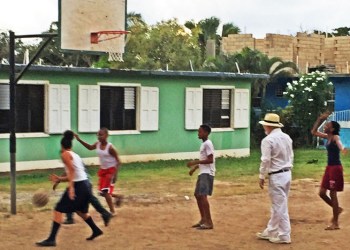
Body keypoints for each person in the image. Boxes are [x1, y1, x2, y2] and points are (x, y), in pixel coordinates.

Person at [36, 131, 103, 247]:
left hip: (79, 186)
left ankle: (51, 239)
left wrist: (71, 188)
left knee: (58, 208)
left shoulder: (65, 154)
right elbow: (75, 174)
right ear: (71, 145)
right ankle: (96, 230)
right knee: (80, 211)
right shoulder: (75, 155)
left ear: (62, 146)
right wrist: (60, 179)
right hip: (85, 185)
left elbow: (72, 171)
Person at [256, 113, 293, 244]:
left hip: (276, 175)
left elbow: (265, 160)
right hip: (287, 173)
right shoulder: (287, 137)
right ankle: (271, 230)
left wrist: (261, 175)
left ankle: (284, 235)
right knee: (279, 204)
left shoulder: (268, 140)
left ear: (268, 126)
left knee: (279, 206)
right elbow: (291, 156)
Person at [74, 127, 123, 215]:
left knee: (105, 191)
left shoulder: (110, 148)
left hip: (111, 171)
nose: (99, 137)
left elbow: (118, 161)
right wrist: (79, 140)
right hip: (103, 170)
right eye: (98, 135)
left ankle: (112, 212)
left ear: (106, 135)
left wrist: (115, 174)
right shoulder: (97, 144)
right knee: (102, 193)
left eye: (101, 135)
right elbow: (89, 147)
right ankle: (118, 196)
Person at [311, 112, 345, 230]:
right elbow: (313, 132)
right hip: (329, 168)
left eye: (327, 125)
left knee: (332, 193)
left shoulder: (335, 137)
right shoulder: (327, 137)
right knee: (322, 193)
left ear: (333, 129)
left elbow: (339, 143)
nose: (325, 127)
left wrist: (343, 148)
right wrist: (319, 119)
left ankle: (335, 223)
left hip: (335, 168)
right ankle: (337, 209)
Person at [187, 124, 215, 230]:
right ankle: (203, 219)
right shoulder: (204, 144)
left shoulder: (208, 144)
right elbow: (204, 159)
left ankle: (209, 222)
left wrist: (196, 161)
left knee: (202, 196)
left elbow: (210, 160)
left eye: (200, 132)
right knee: (197, 195)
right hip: (203, 172)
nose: (198, 134)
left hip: (207, 173)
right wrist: (195, 168)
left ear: (206, 133)